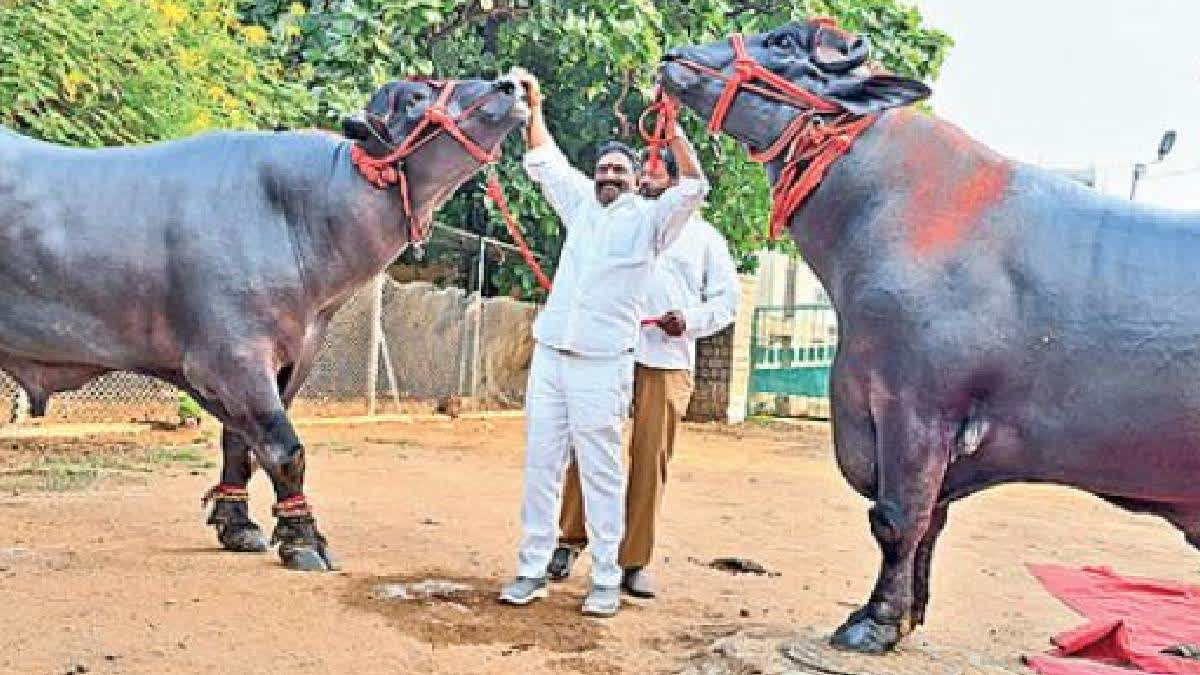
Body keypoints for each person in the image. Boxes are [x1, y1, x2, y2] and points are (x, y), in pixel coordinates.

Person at [499, 69, 709, 617]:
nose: (608, 176)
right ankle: (530, 568)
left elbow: (694, 186)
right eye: (603, 170)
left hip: (603, 364)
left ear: (638, 178)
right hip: (551, 358)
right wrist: (536, 104)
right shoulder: (581, 208)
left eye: (620, 169)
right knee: (542, 467)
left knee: (601, 471)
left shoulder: (652, 222)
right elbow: (544, 160)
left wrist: (673, 132)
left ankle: (608, 579)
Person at [549, 147, 741, 599]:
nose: (649, 181)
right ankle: (570, 539)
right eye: (644, 174)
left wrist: (689, 320)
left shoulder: (704, 238)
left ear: (675, 182)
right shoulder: (611, 226)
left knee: (649, 458)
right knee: (590, 442)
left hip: (667, 359)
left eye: (657, 174)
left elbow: (727, 301)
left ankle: (633, 560)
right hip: (608, 349)